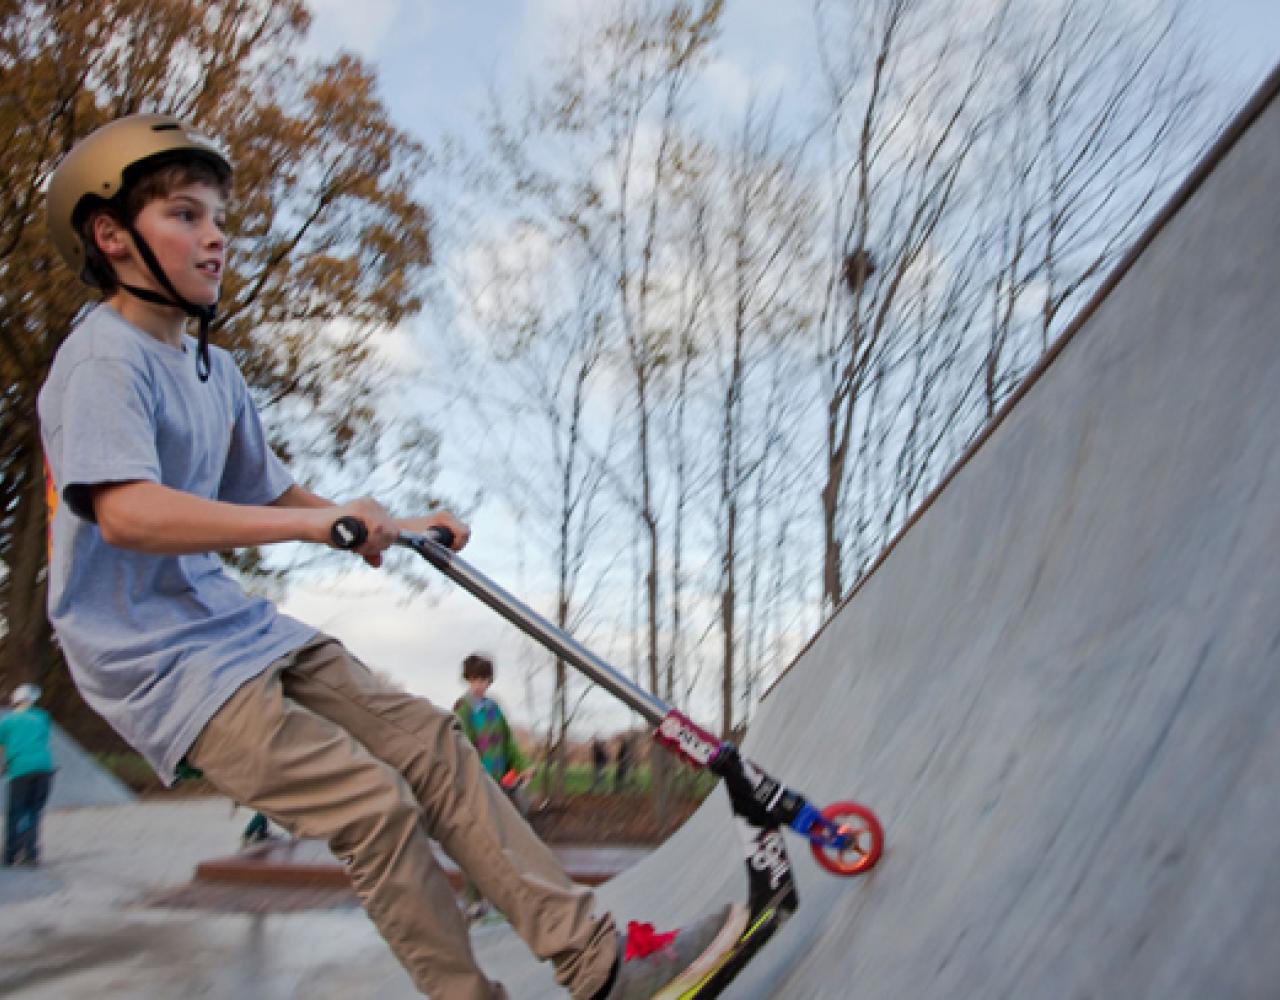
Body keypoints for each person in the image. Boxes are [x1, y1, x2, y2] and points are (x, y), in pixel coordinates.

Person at [38, 113, 738, 999]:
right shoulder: (102, 359)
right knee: (374, 806)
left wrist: (394, 524)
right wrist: (309, 531)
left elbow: (280, 496)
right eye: (184, 215)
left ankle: (600, 964)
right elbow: (127, 514)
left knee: (436, 748)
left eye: (219, 216)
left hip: (239, 630)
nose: (215, 235)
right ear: (112, 236)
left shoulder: (215, 372)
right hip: (158, 662)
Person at [452, 653, 529, 920]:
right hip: (474, 786)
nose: (479, 685)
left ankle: (497, 895)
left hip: (497, 785)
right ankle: (473, 898)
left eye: (483, 680)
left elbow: (508, 743)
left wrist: (520, 766)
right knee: (476, 842)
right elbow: (463, 748)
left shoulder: (493, 709)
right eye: (474, 680)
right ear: (468, 679)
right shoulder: (462, 710)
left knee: (500, 840)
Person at [0, 684, 56, 866]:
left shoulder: (7, 721)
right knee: (34, 812)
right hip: (44, 769)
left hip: (20, 770)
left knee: (15, 813)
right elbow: (43, 740)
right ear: (31, 701)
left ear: (15, 702)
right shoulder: (42, 717)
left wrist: (3, 765)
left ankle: (10, 856)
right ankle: (31, 855)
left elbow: (2, 746)